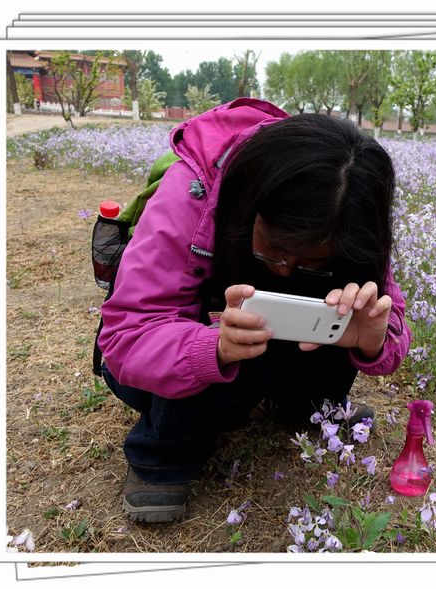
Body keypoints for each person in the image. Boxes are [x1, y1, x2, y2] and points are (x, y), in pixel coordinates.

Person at [98, 97, 411, 523]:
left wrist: (373, 340)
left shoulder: (352, 214)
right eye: (277, 250)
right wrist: (214, 347)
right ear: (250, 202)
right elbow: (127, 336)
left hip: (259, 340)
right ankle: (160, 454)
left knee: (344, 304)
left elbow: (389, 321)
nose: (287, 270)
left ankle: (306, 405)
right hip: (185, 340)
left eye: (314, 259)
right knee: (214, 332)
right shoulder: (192, 192)